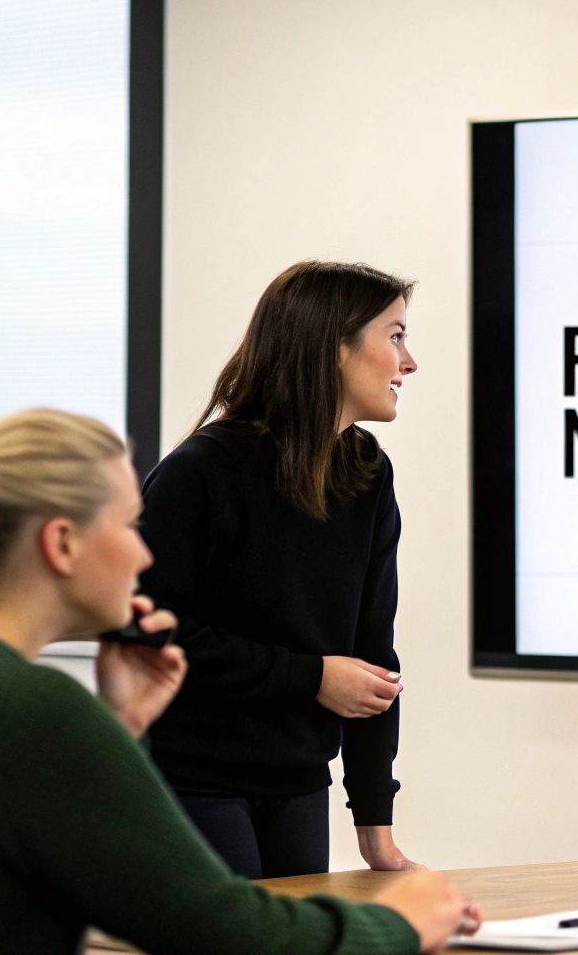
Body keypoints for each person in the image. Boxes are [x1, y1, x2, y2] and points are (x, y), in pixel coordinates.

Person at [0, 410, 479, 954]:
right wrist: (400, 922)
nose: (142, 550)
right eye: (129, 524)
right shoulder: (34, 713)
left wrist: (124, 731)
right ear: (61, 544)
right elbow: (227, 932)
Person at [137, 259, 422, 878]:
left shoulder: (368, 473)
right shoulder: (201, 471)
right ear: (332, 346)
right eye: (395, 336)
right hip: (193, 781)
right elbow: (148, 630)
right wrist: (310, 676)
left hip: (297, 783)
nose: (409, 362)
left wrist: (376, 827)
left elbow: (373, 658)